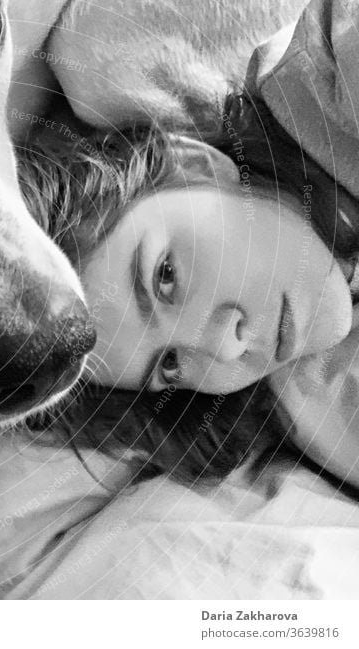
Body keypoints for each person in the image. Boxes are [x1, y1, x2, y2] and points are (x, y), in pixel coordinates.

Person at [20, 0, 359, 490]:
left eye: (165, 276)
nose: (225, 346)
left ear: (196, 167)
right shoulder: (311, 395)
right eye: (170, 366)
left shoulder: (338, 70)